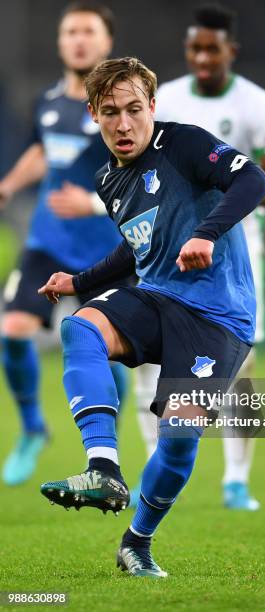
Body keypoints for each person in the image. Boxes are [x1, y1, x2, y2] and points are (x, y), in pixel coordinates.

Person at [38, 56, 265, 578]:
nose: (124, 124)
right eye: (110, 112)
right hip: (158, 298)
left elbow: (254, 180)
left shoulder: (184, 144)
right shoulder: (108, 180)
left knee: (179, 438)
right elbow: (135, 248)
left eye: (134, 109)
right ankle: (103, 468)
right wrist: (79, 283)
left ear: (152, 107)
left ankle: (136, 542)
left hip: (219, 316)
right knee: (82, 326)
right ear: (94, 115)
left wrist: (205, 234)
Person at [130, 3, 265, 510]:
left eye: (212, 49)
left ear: (231, 51)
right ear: (187, 50)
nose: (203, 57)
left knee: (237, 366)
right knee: (146, 365)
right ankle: (155, 468)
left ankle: (236, 480)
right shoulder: (168, 100)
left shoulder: (256, 103)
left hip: (238, 253)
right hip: (164, 250)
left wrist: (214, 212)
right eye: (195, 48)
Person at [0, 1, 128, 487]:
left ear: (106, 42)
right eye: (70, 31)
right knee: (12, 329)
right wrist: (8, 186)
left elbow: (140, 167)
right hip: (47, 242)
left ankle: (106, 455)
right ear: (60, 42)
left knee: (111, 355)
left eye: (88, 31)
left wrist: (96, 202)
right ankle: (33, 427)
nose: (78, 39)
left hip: (104, 249)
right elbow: (42, 151)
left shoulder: (120, 107)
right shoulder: (48, 100)